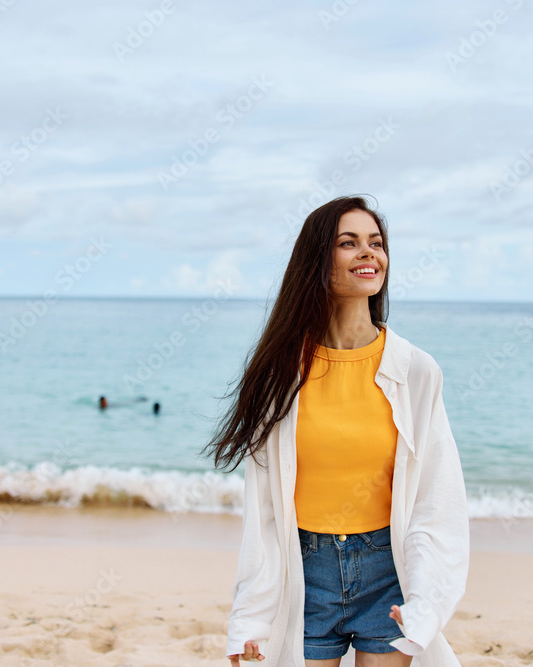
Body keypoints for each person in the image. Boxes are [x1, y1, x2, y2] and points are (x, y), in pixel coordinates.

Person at [201, 195, 470, 666]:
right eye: (349, 243)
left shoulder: (416, 371)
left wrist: (427, 600)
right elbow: (264, 509)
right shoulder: (280, 372)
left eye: (377, 243)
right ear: (317, 261)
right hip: (306, 576)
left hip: (387, 576)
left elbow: (437, 498)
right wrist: (250, 619)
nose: (369, 253)